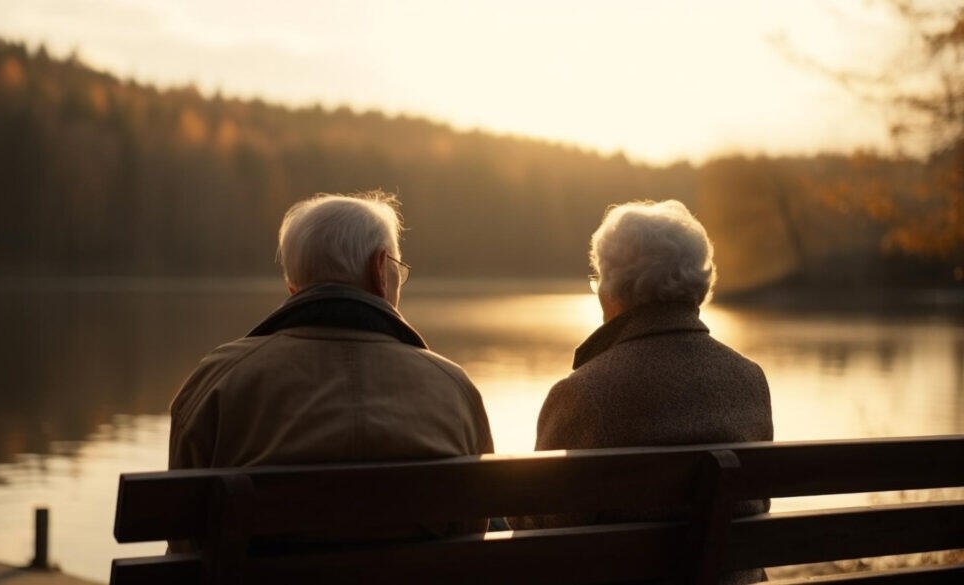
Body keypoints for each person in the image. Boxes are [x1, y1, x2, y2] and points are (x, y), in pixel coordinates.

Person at [168, 191, 493, 544]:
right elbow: (473, 529)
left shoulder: (217, 382)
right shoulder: (453, 389)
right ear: (380, 271)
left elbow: (186, 540)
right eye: (398, 269)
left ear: (293, 287)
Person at [516, 199, 772, 584]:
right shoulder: (750, 380)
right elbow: (756, 505)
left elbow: (540, 532)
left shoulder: (585, 393)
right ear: (700, 287)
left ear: (610, 291)